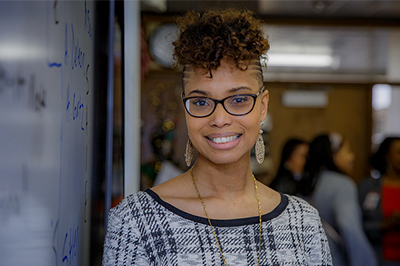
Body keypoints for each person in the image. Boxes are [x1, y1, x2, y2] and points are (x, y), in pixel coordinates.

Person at [103, 8, 331, 265]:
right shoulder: (137, 220)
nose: (220, 119)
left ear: (263, 106)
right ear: (185, 108)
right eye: (201, 102)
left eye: (239, 99)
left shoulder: (303, 223)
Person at [300, 132, 378, 266]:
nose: (352, 156)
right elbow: (349, 227)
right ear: (332, 154)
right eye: (347, 150)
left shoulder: (307, 183)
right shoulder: (342, 185)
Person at [359, 136, 400, 266]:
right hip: (378, 259)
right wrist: (384, 225)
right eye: (399, 152)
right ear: (387, 156)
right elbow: (358, 225)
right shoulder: (369, 187)